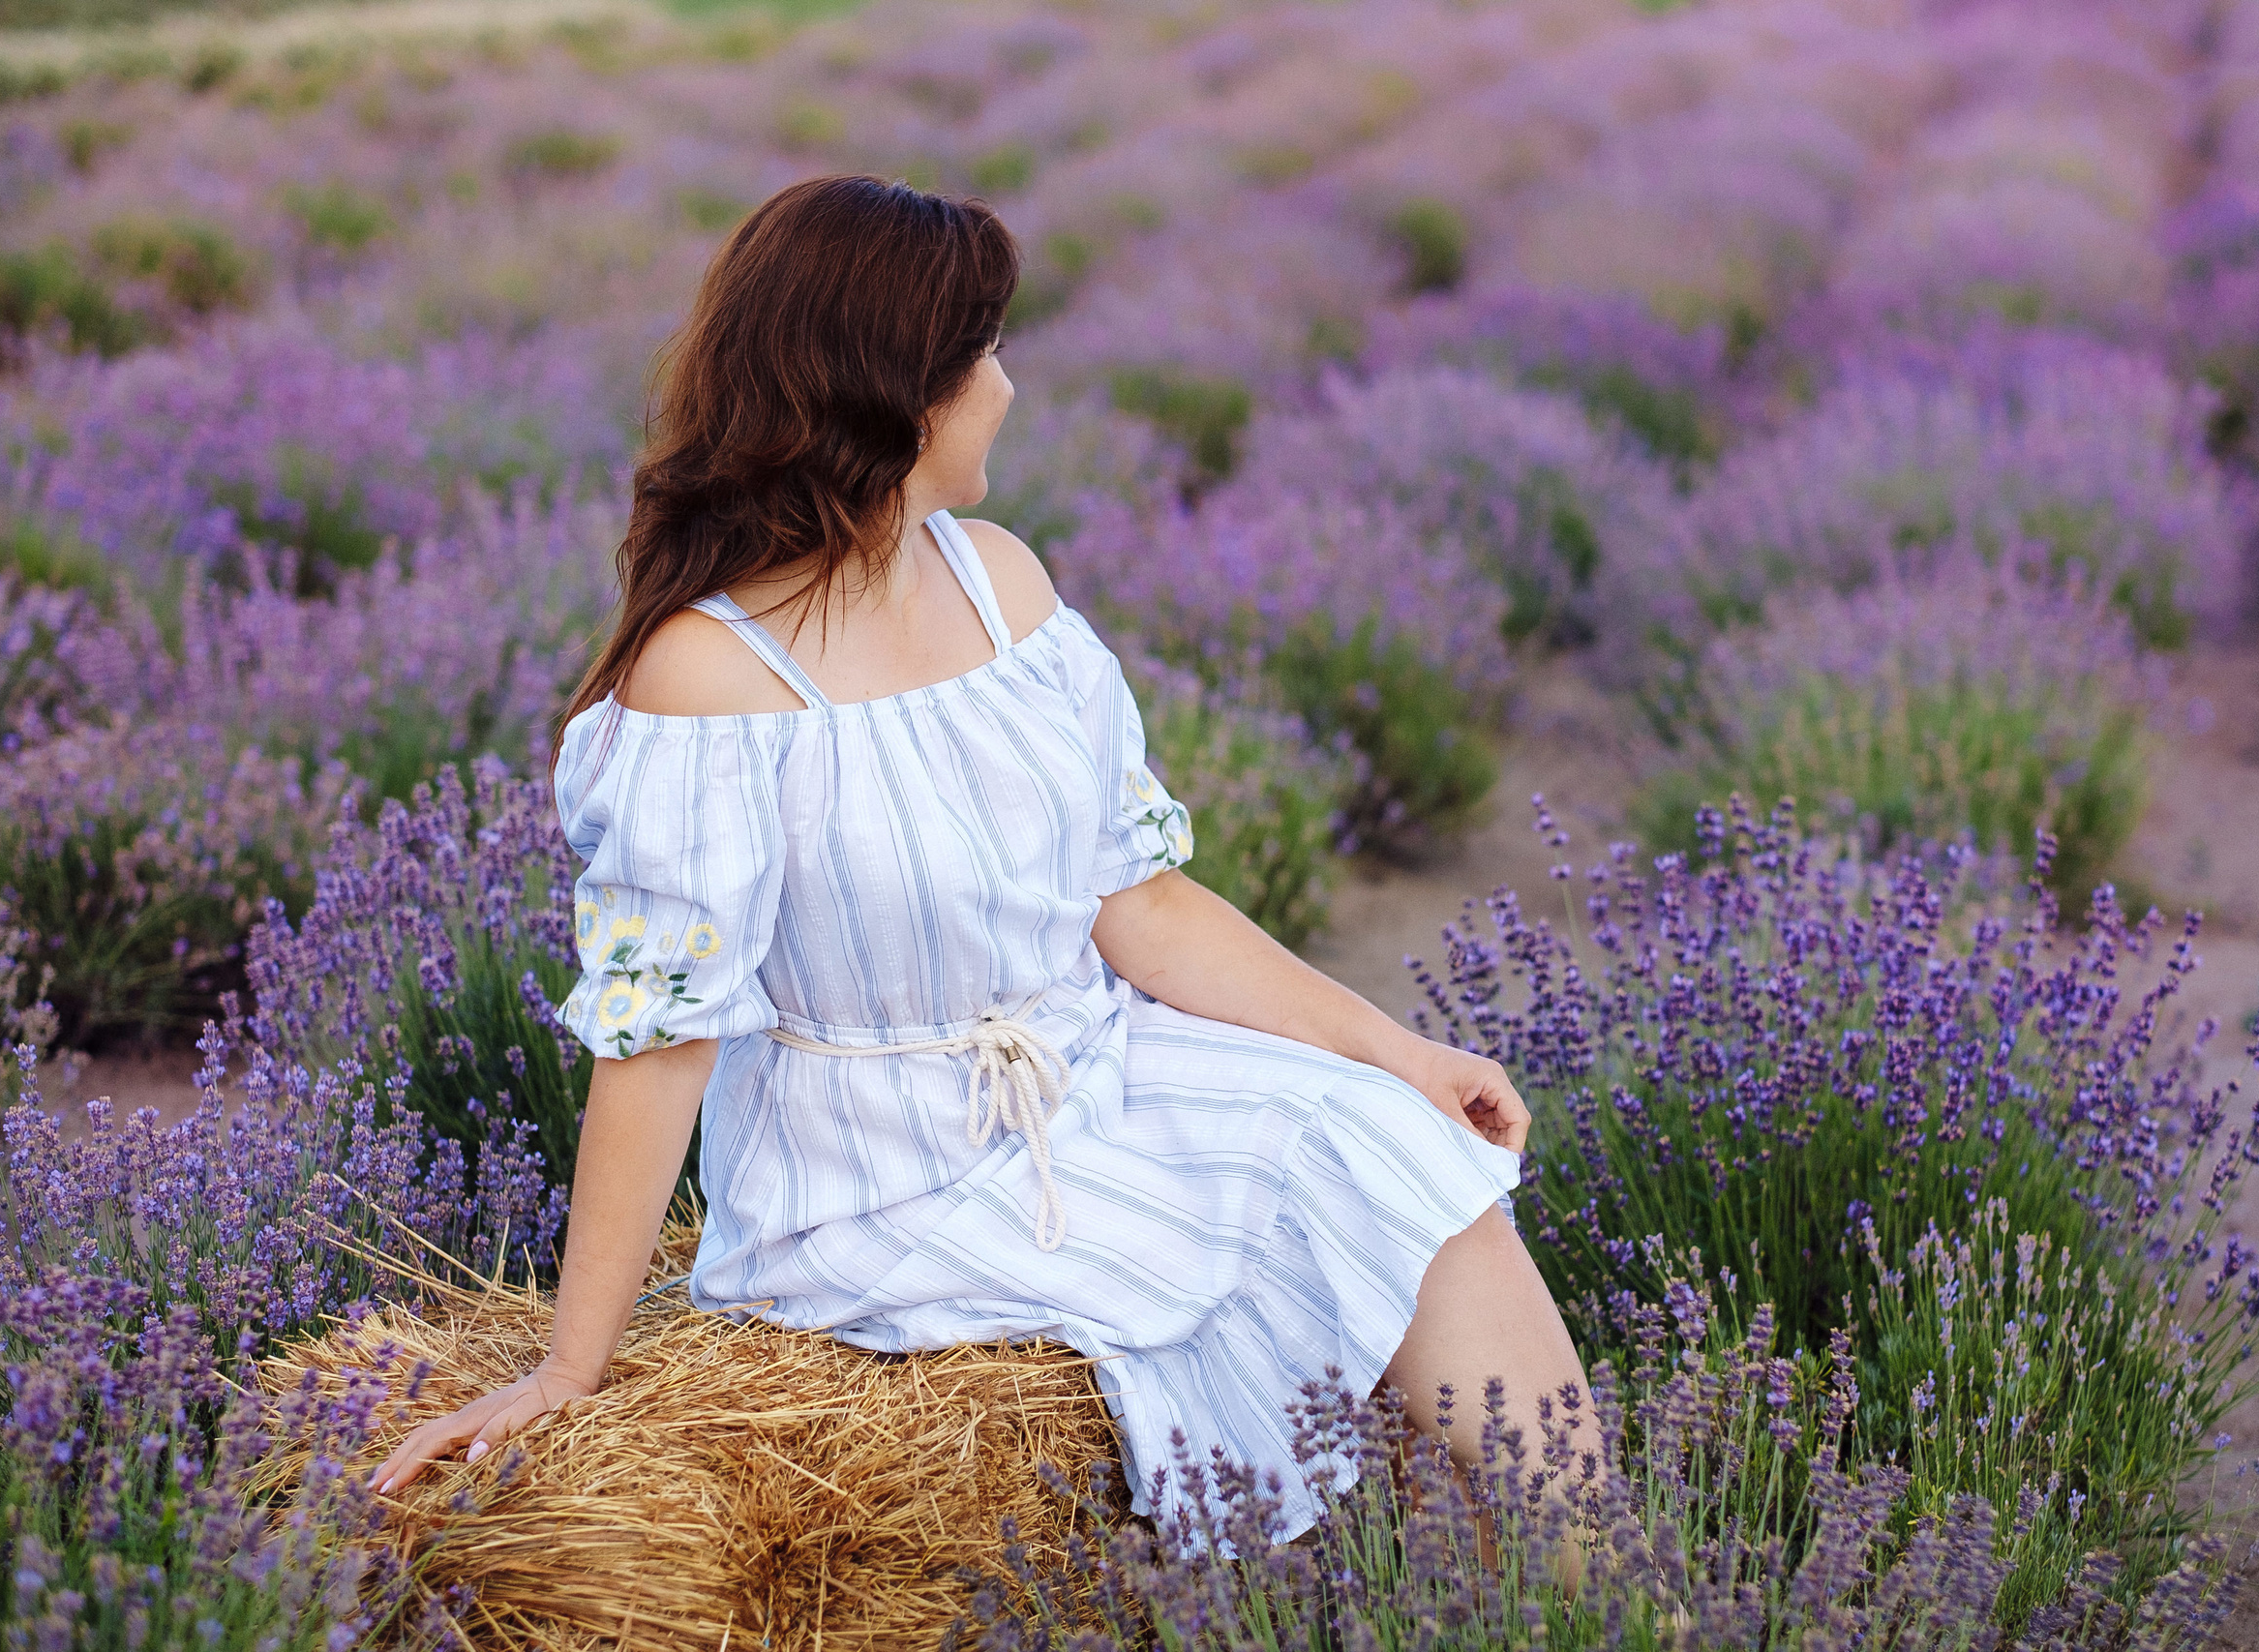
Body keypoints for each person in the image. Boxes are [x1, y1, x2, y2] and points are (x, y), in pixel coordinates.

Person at [365, 174, 1587, 1542]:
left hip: (1092, 1080)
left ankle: (1584, 1585)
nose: (1009, 385)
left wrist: (1401, 1057)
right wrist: (572, 1367)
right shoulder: (705, 678)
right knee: (1232, 1273)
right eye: (985, 354)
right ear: (904, 394)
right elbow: (662, 1039)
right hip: (881, 1179)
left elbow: (1143, 902)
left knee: (1405, 1156)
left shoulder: (1003, 579)